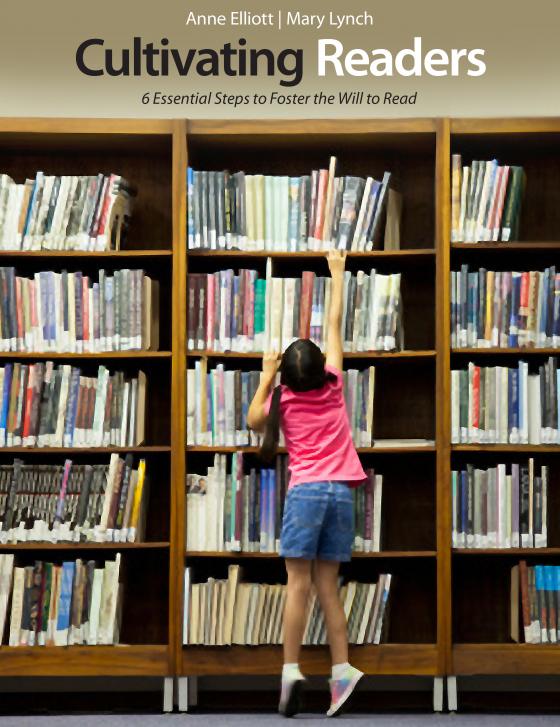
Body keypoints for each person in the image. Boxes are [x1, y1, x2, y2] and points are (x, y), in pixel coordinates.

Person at [247, 249, 367, 718]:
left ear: (289, 378)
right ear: (320, 369)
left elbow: (254, 419)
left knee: (297, 585)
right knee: (328, 587)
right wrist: (337, 274)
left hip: (307, 493)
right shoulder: (335, 383)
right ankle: (341, 672)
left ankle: (291, 668)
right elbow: (335, 325)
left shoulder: (282, 402)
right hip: (341, 494)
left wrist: (266, 376)